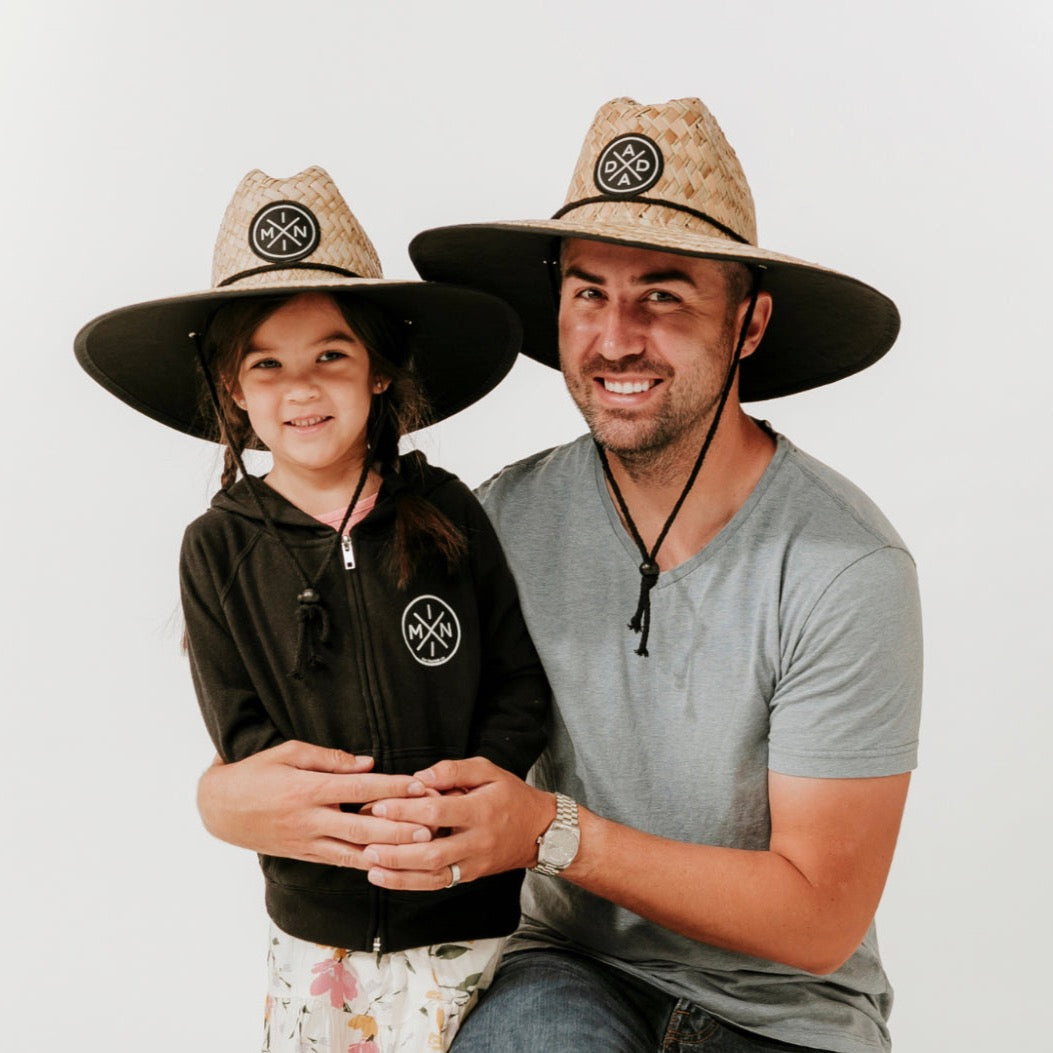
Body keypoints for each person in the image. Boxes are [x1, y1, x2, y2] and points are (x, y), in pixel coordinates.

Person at [196, 98, 923, 1053]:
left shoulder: (842, 567)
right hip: (559, 967)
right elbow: (361, 704)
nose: (614, 337)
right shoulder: (492, 518)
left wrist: (549, 831)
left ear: (748, 324)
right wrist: (223, 797)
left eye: (661, 295)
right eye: (588, 293)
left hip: (780, 1011)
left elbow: (817, 918)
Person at [74, 166, 549, 1052]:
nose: (302, 388)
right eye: (268, 365)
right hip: (318, 936)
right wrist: (343, 828)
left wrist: (459, 797)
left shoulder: (447, 511)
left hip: (471, 914)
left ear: (377, 372)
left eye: (330, 355)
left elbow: (518, 681)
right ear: (234, 396)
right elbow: (244, 738)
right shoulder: (215, 548)